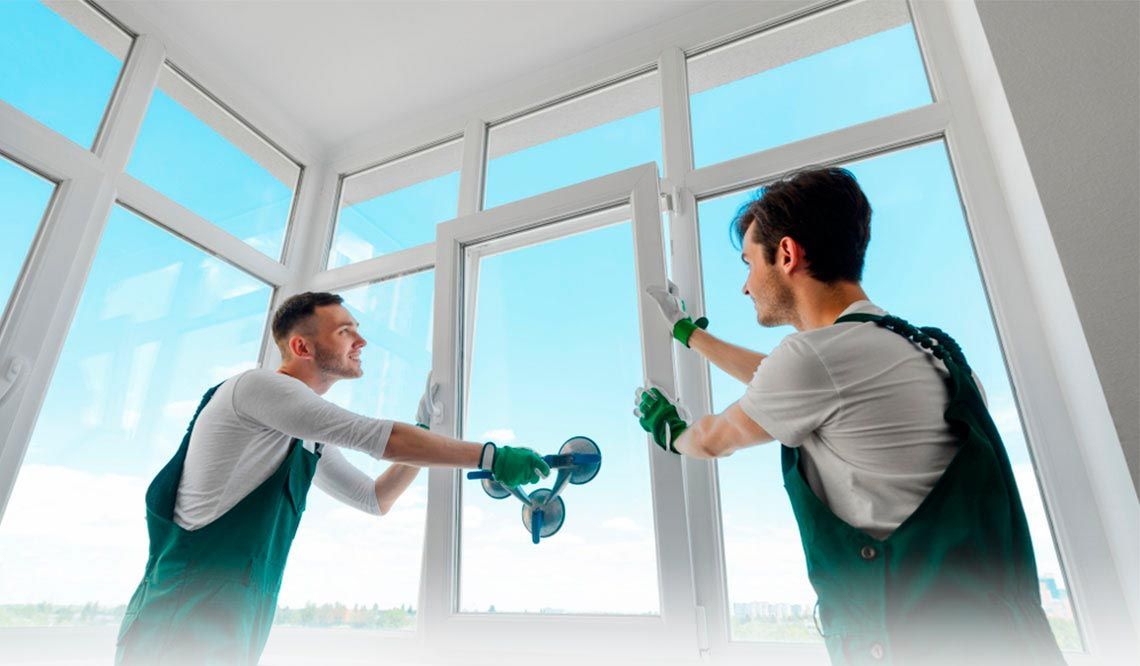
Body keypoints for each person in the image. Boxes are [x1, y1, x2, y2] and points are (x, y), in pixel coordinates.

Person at [635, 168, 1063, 665]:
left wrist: (670, 431)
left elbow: (714, 438)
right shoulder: (927, 350)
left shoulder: (815, 361)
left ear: (788, 255)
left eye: (749, 262)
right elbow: (780, 381)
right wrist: (688, 334)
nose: (745, 286)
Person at [115, 291, 549, 665]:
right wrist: (492, 457)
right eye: (344, 331)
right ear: (302, 347)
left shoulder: (305, 439)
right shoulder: (257, 388)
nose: (361, 341)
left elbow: (374, 497)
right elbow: (379, 437)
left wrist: (429, 432)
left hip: (234, 621)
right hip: (179, 619)